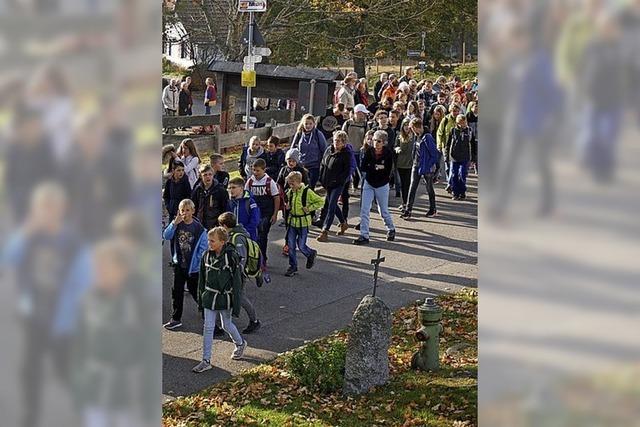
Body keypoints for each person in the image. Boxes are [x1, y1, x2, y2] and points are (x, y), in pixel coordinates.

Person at [192, 227, 247, 373]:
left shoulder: (231, 257)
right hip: (209, 297)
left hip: (224, 298)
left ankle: (240, 343)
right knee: (208, 327)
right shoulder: (206, 255)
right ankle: (206, 360)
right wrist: (201, 299)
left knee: (226, 325)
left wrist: (236, 306)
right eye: (209, 240)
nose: (209, 243)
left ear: (222, 242)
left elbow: (236, 282)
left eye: (212, 241)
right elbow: (202, 280)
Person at [162, 199, 205, 330]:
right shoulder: (177, 225)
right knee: (177, 292)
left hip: (193, 267)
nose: (185, 213)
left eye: (187, 210)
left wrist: (197, 260)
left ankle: (207, 314)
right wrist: (174, 224)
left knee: (196, 292)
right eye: (182, 211)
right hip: (179, 265)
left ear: (193, 211)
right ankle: (176, 319)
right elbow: (166, 236)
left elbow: (203, 247)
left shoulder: (198, 228)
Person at [218, 212, 261, 334]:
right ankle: (223, 324)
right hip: (232, 273)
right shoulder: (234, 235)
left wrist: (234, 274)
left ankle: (255, 321)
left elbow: (241, 258)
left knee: (240, 298)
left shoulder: (237, 238)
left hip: (238, 275)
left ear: (225, 225)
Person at [354, 130, 396, 245]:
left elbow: (387, 171)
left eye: (379, 141)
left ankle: (391, 229)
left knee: (383, 210)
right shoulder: (369, 152)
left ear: (384, 142)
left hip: (382, 184)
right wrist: (376, 167)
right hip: (369, 183)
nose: (376, 143)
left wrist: (374, 167)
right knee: (364, 209)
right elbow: (363, 167)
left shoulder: (388, 153)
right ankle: (364, 235)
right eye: (374, 141)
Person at [283, 171, 324, 277]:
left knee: (301, 245)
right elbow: (288, 202)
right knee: (291, 245)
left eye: (292, 184)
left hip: (303, 223)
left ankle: (310, 253)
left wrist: (309, 208)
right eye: (289, 184)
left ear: (299, 182)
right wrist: (288, 207)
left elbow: (320, 201)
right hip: (292, 222)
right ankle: (293, 266)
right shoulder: (290, 192)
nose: (290, 186)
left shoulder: (307, 192)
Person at [401, 118, 441, 219]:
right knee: (412, 186)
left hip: (425, 166)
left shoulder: (427, 137)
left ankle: (433, 209)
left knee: (429, 188)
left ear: (416, 127)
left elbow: (434, 154)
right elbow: (415, 150)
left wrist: (428, 166)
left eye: (412, 128)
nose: (412, 131)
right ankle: (408, 210)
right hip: (416, 164)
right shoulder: (417, 136)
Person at [317, 130, 352, 242]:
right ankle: (343, 223)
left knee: (331, 206)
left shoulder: (346, 154)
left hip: (338, 184)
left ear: (344, 143)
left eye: (339, 141)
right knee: (333, 204)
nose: (336, 143)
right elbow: (323, 164)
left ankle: (325, 231)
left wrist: (339, 181)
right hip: (327, 182)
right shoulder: (329, 150)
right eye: (335, 140)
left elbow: (346, 171)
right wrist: (322, 178)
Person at [245, 159, 280, 268]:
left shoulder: (269, 182)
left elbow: (276, 198)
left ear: (264, 170)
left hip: (266, 212)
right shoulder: (250, 181)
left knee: (262, 235)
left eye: (258, 171)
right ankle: (254, 258)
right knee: (253, 235)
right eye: (254, 170)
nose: (255, 173)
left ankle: (262, 259)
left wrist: (275, 214)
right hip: (255, 212)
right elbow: (246, 195)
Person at [290, 113, 327, 190]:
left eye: (310, 124)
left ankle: (309, 202)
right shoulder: (299, 134)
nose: (308, 126)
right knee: (301, 188)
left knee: (310, 188)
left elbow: (324, 149)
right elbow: (292, 149)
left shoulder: (317, 134)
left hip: (314, 166)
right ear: (303, 124)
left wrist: (323, 164)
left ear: (314, 124)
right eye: (306, 124)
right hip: (302, 166)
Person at [445, 114, 477, 200]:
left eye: (464, 123)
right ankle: (455, 193)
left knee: (462, 174)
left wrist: (474, 158)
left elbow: (473, 145)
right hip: (454, 157)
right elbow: (448, 144)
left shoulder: (469, 131)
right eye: (460, 123)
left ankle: (462, 192)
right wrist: (446, 156)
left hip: (465, 157)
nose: (463, 125)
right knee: (454, 175)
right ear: (457, 123)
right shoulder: (453, 131)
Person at [191, 164, 229, 230]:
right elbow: (194, 207)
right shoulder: (197, 190)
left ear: (213, 175)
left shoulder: (220, 190)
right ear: (200, 176)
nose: (208, 177)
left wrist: (221, 224)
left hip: (215, 225)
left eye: (210, 174)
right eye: (205, 175)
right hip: (200, 225)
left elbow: (225, 209)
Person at [342, 104, 370, 190]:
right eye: (362, 113)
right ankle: (346, 189)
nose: (364, 115)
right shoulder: (348, 123)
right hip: (349, 151)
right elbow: (343, 135)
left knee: (359, 170)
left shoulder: (365, 125)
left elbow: (367, 137)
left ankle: (357, 186)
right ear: (357, 113)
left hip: (360, 151)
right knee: (347, 171)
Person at [227, 177, 261, 242]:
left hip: (248, 236)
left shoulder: (250, 202)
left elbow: (255, 220)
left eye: (234, 187)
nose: (231, 190)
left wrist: (243, 231)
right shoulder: (229, 202)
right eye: (229, 188)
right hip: (232, 236)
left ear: (241, 188)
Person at [436, 103, 462, 190]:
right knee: (448, 167)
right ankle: (450, 182)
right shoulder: (446, 120)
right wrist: (439, 145)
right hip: (446, 146)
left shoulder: (461, 120)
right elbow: (439, 133)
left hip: (457, 147)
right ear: (450, 111)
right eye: (454, 111)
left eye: (457, 111)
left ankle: (452, 184)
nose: (456, 113)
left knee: (455, 167)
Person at [394, 118, 415, 212]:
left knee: (408, 184)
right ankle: (404, 202)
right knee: (403, 185)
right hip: (401, 163)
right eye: (405, 125)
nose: (406, 127)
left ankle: (408, 204)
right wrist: (397, 148)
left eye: (408, 125)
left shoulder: (414, 136)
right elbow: (395, 146)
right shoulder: (399, 136)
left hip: (411, 163)